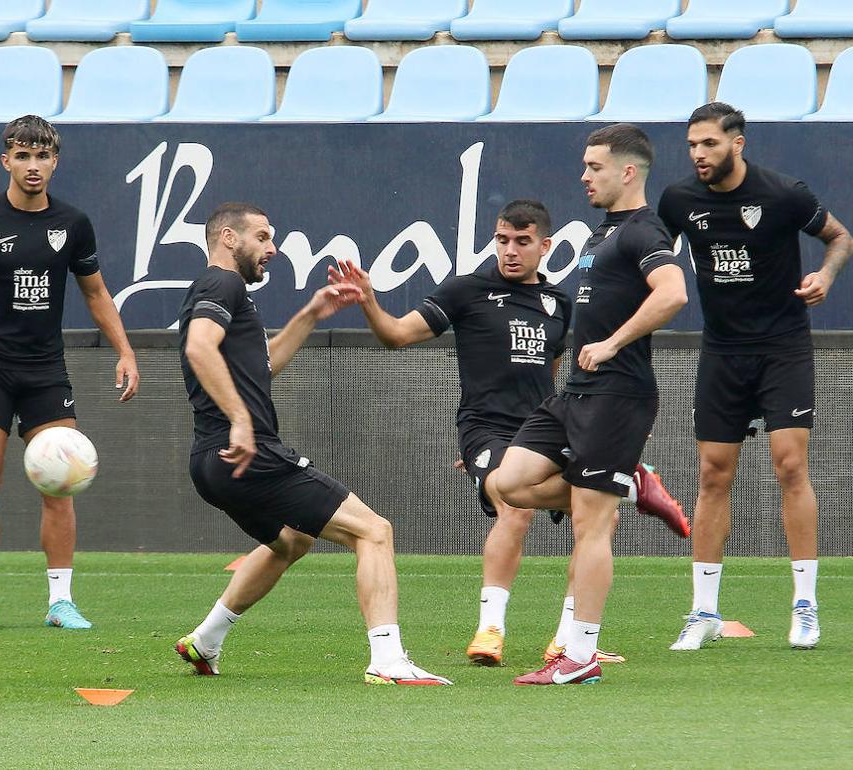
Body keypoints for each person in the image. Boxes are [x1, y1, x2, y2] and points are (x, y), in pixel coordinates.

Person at [330, 201, 684, 668]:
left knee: (597, 517)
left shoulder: (559, 303)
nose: (510, 250)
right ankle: (490, 627)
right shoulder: (466, 290)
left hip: (542, 426)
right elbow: (396, 335)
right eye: (502, 240)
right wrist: (371, 301)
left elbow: (553, 372)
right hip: (486, 429)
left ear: (546, 246)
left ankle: (567, 640)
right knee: (514, 506)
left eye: (522, 241)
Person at [174, 202, 451, 686]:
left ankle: (206, 640)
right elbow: (200, 346)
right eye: (262, 237)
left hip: (211, 461)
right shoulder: (222, 283)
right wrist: (240, 419)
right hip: (249, 450)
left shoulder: (224, 291)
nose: (272, 248)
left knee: (290, 541)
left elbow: (260, 367)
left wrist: (310, 314)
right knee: (374, 531)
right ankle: (387, 660)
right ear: (228, 238)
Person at [0, 116, 140, 631]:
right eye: (23, 156)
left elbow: (95, 293)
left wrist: (125, 351)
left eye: (42, 157)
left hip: (45, 370)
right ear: (6, 160)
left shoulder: (74, 224)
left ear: (55, 162)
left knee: (60, 482)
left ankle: (60, 601)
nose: (33, 166)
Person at [495, 125, 689, 686]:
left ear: (627, 172)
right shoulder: (602, 232)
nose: (584, 175)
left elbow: (673, 293)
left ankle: (580, 657)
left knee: (590, 523)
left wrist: (612, 342)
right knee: (509, 483)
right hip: (572, 396)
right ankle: (631, 484)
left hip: (616, 395)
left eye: (594, 167)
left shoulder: (644, 230)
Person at [658, 103, 851, 651]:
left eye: (709, 144)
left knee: (791, 465)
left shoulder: (784, 193)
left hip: (783, 348)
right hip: (721, 351)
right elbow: (651, 252)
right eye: (692, 145)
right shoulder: (678, 200)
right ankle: (703, 612)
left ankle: (806, 605)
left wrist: (826, 276)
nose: (699, 154)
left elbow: (840, 238)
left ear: (737, 144)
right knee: (713, 474)